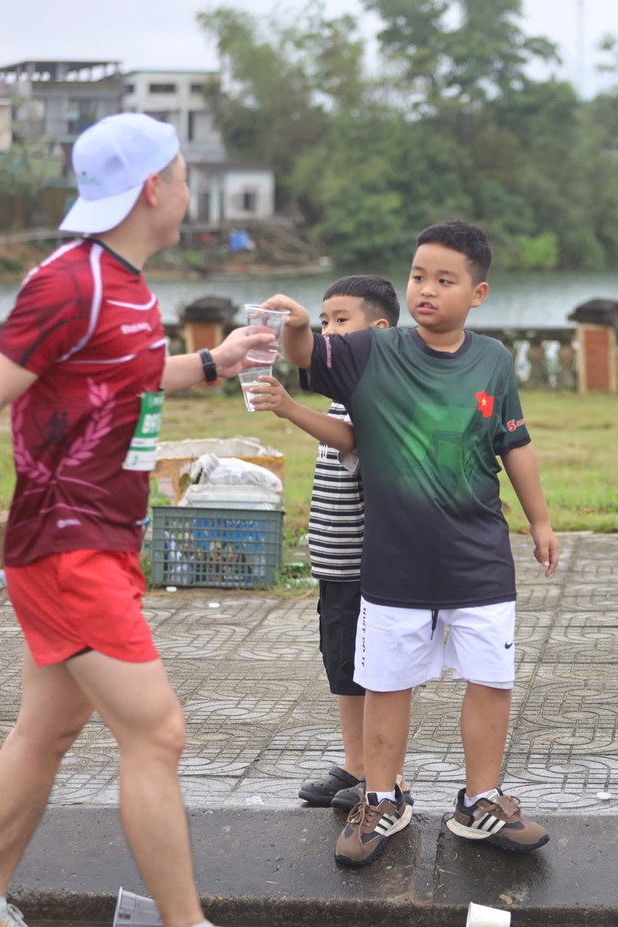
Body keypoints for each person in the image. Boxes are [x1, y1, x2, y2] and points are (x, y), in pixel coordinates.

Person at [0, 114, 273, 927]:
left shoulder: (125, 284)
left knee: (45, 731)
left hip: (103, 543)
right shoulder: (69, 282)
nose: (189, 189)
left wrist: (215, 361)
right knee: (157, 731)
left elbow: (129, 373)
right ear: (153, 188)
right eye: (184, 175)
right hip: (65, 546)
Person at [265, 220, 559, 869]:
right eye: (418, 276)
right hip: (394, 562)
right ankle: (381, 798)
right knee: (386, 683)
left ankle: (480, 801)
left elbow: (515, 443)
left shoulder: (493, 361)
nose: (426, 289)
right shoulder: (373, 350)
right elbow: (307, 354)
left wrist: (539, 522)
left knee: (491, 679)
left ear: (477, 293)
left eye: (444, 280)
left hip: (479, 558)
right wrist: (294, 324)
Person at [244, 275, 399, 810]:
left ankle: (383, 773)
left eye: (340, 321)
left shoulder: (375, 383)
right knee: (342, 665)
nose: (328, 332)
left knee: (375, 672)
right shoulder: (340, 390)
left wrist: (289, 408)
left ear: (379, 331)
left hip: (368, 566)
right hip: (336, 563)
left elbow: (357, 439)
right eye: (324, 321)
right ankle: (356, 764)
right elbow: (305, 354)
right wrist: (297, 330)